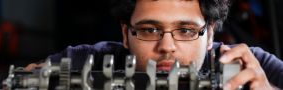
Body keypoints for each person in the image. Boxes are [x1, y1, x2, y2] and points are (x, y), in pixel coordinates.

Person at [25, 0, 283, 89]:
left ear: (211, 35)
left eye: (185, 30)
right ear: (126, 34)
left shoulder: (256, 69)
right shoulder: (83, 64)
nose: (167, 46)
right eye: (149, 30)